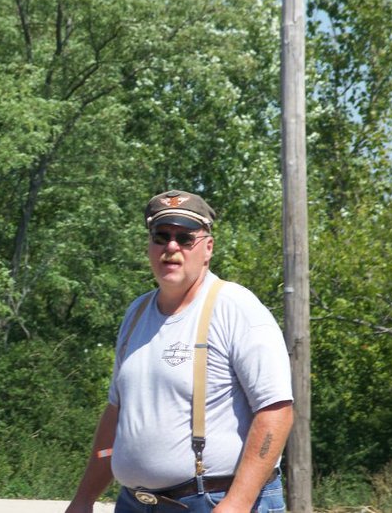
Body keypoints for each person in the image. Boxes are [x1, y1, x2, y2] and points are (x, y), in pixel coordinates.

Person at [65, 190, 294, 513]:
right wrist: (84, 499)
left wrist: (237, 504)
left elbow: (276, 411)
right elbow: (116, 414)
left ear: (208, 248)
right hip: (134, 504)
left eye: (185, 238)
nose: (171, 247)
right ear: (149, 245)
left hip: (214, 501)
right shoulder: (136, 313)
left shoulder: (236, 308)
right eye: (161, 236)